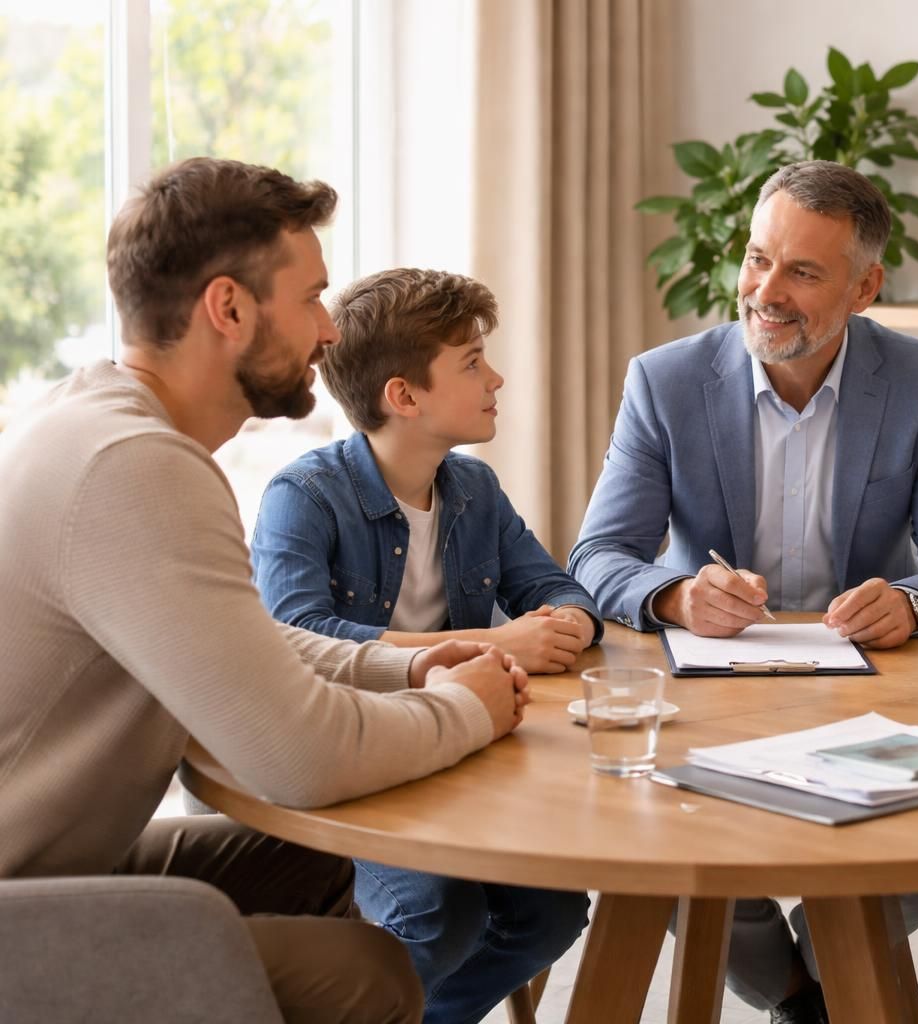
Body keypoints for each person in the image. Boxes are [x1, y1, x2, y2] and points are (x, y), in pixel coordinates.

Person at [0, 156, 530, 1024]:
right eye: (313, 297)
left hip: (41, 871)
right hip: (19, 913)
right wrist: (469, 709)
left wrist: (406, 669)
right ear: (230, 308)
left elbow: (231, 640)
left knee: (312, 866)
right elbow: (299, 760)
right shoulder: (134, 466)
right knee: (365, 972)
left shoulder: (91, 420)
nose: (329, 332)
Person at [569, 160, 918, 1022]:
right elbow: (599, 554)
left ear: (866, 286)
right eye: (758, 258)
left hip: (881, 700)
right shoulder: (665, 381)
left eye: (804, 271)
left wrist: (912, 602)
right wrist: (675, 596)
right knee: (649, 830)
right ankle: (810, 997)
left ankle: (813, 979)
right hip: (711, 694)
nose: (767, 290)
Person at [250, 268, 595, 1023]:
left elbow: (557, 587)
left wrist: (569, 621)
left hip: (468, 750)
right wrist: (494, 640)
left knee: (556, 912)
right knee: (440, 914)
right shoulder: (303, 498)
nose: (496, 377)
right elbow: (295, 636)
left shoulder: (475, 488)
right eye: (471, 363)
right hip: (354, 759)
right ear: (403, 396)